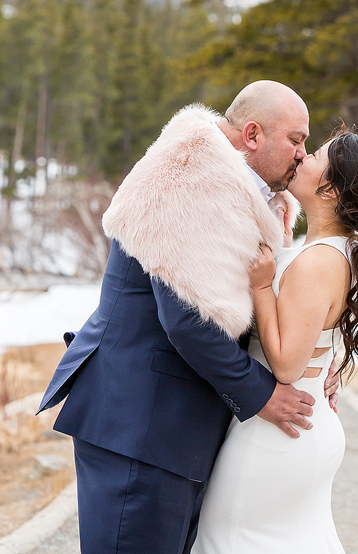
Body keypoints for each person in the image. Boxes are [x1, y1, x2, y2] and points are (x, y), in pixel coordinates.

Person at [38, 81, 339, 554]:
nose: (303, 155)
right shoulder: (189, 177)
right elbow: (187, 319)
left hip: (174, 425)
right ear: (254, 134)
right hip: (142, 421)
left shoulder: (243, 188)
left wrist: (315, 360)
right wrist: (263, 395)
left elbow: (243, 307)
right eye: (296, 140)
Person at [192, 128, 358, 554]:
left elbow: (288, 365)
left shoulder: (319, 261)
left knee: (231, 542)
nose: (301, 157)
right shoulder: (335, 249)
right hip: (303, 428)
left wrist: (259, 288)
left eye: (314, 155)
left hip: (277, 433)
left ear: (329, 187)